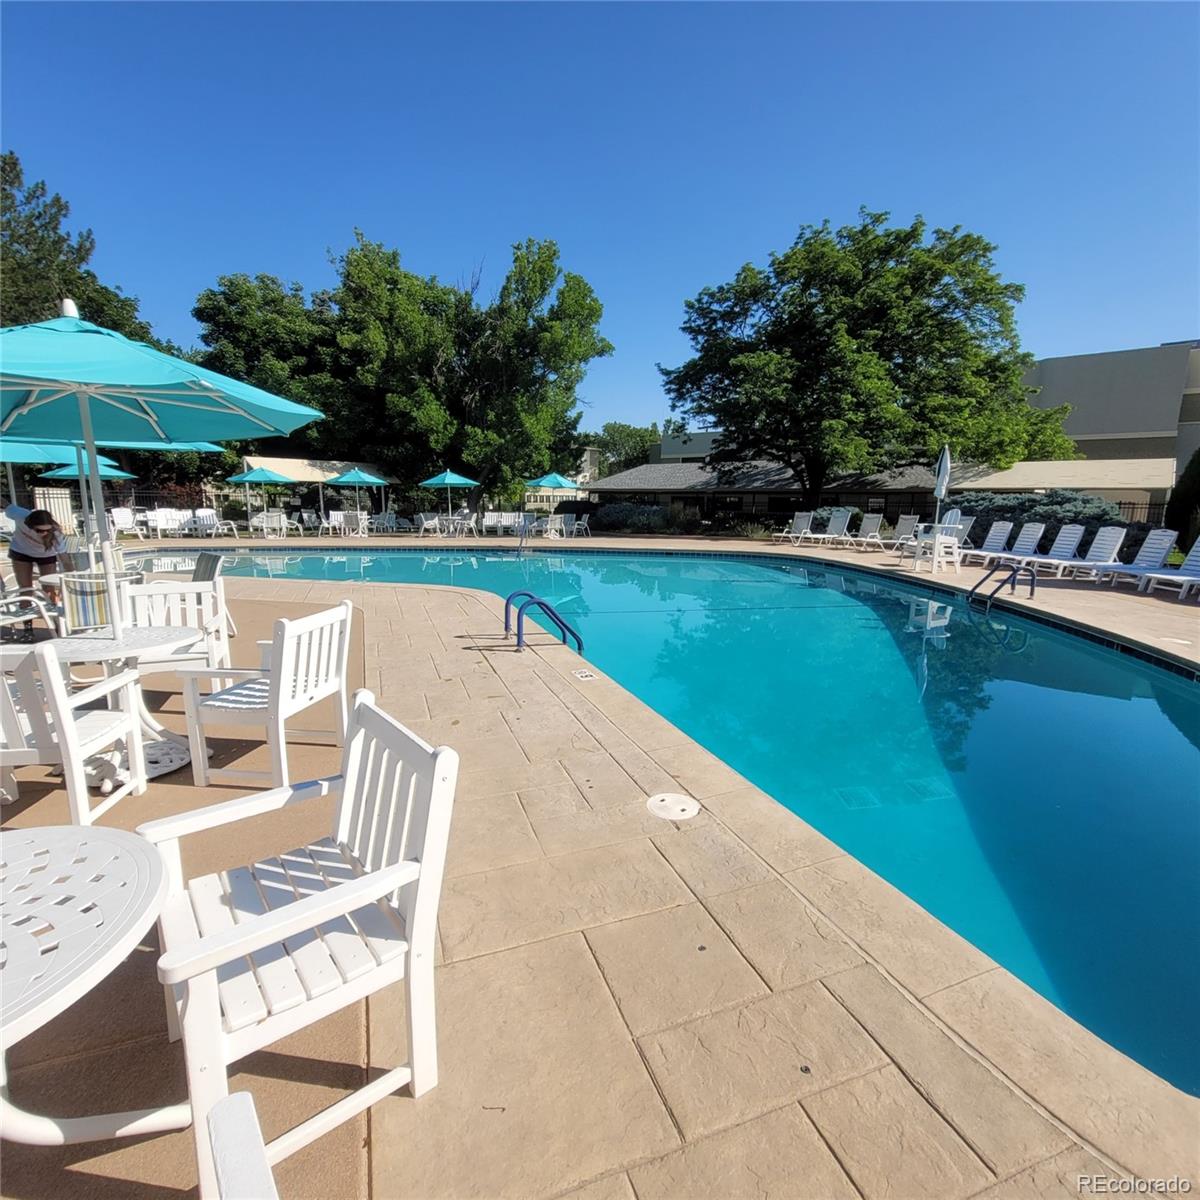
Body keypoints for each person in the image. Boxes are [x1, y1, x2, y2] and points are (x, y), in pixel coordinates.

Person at [4, 505, 66, 639]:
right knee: (26, 589)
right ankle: (28, 630)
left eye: (47, 530)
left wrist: (72, 575)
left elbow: (65, 558)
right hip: (21, 552)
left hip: (46, 555)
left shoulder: (56, 533)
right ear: (29, 525)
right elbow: (6, 504)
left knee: (49, 590)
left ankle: (58, 627)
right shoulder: (20, 515)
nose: (44, 533)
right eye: (39, 530)